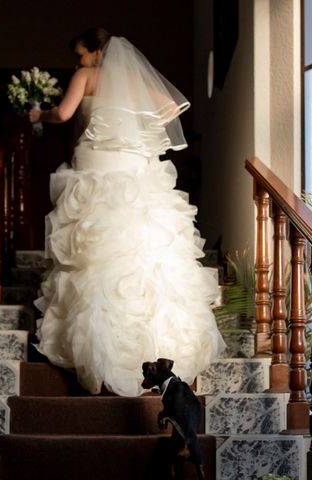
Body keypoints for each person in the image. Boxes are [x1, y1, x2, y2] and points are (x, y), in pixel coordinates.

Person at [30, 27, 226, 397]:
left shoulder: (85, 77)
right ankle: (155, 343)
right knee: (144, 246)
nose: (78, 62)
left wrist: (40, 113)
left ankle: (99, 344)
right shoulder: (133, 81)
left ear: (97, 53)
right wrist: (134, 129)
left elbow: (65, 113)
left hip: (99, 165)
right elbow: (169, 107)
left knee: (96, 249)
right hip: (135, 166)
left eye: (80, 55)